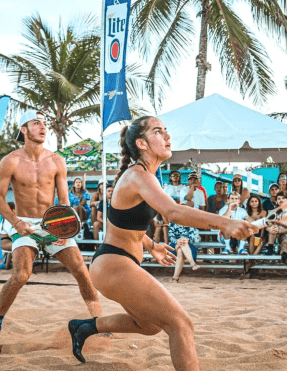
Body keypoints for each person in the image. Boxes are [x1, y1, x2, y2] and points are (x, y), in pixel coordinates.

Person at [68, 116, 256, 370]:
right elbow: (174, 212)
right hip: (114, 265)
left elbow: (120, 223)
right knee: (181, 324)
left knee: (150, 326)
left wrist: (150, 245)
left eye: (166, 131)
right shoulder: (137, 176)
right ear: (142, 144)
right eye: (158, 132)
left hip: (114, 263)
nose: (167, 136)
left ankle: (84, 327)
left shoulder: (143, 176)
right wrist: (225, 224)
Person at [0, 110, 102, 354]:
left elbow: (63, 200)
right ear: (24, 130)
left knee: (81, 268)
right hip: (24, 224)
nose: (43, 127)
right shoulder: (10, 161)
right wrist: (17, 224)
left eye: (44, 123)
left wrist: (64, 227)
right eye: (36, 123)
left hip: (52, 221)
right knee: (21, 275)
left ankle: (99, 321)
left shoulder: (57, 160)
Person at [0, 202, 16, 273]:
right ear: (13, 210)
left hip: (5, 243)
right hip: (9, 243)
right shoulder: (11, 221)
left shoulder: (4, 221)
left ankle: (6, 265)